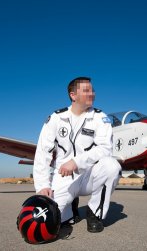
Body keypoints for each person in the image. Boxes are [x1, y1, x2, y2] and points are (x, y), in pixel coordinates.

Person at [33, 77, 121, 233]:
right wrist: (42, 185)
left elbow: (105, 149)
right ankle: (70, 208)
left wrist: (76, 162)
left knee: (112, 165)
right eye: (86, 90)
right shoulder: (56, 117)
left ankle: (94, 213)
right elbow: (42, 153)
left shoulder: (101, 117)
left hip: (89, 176)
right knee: (48, 221)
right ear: (73, 95)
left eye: (92, 90)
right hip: (63, 176)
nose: (92, 94)